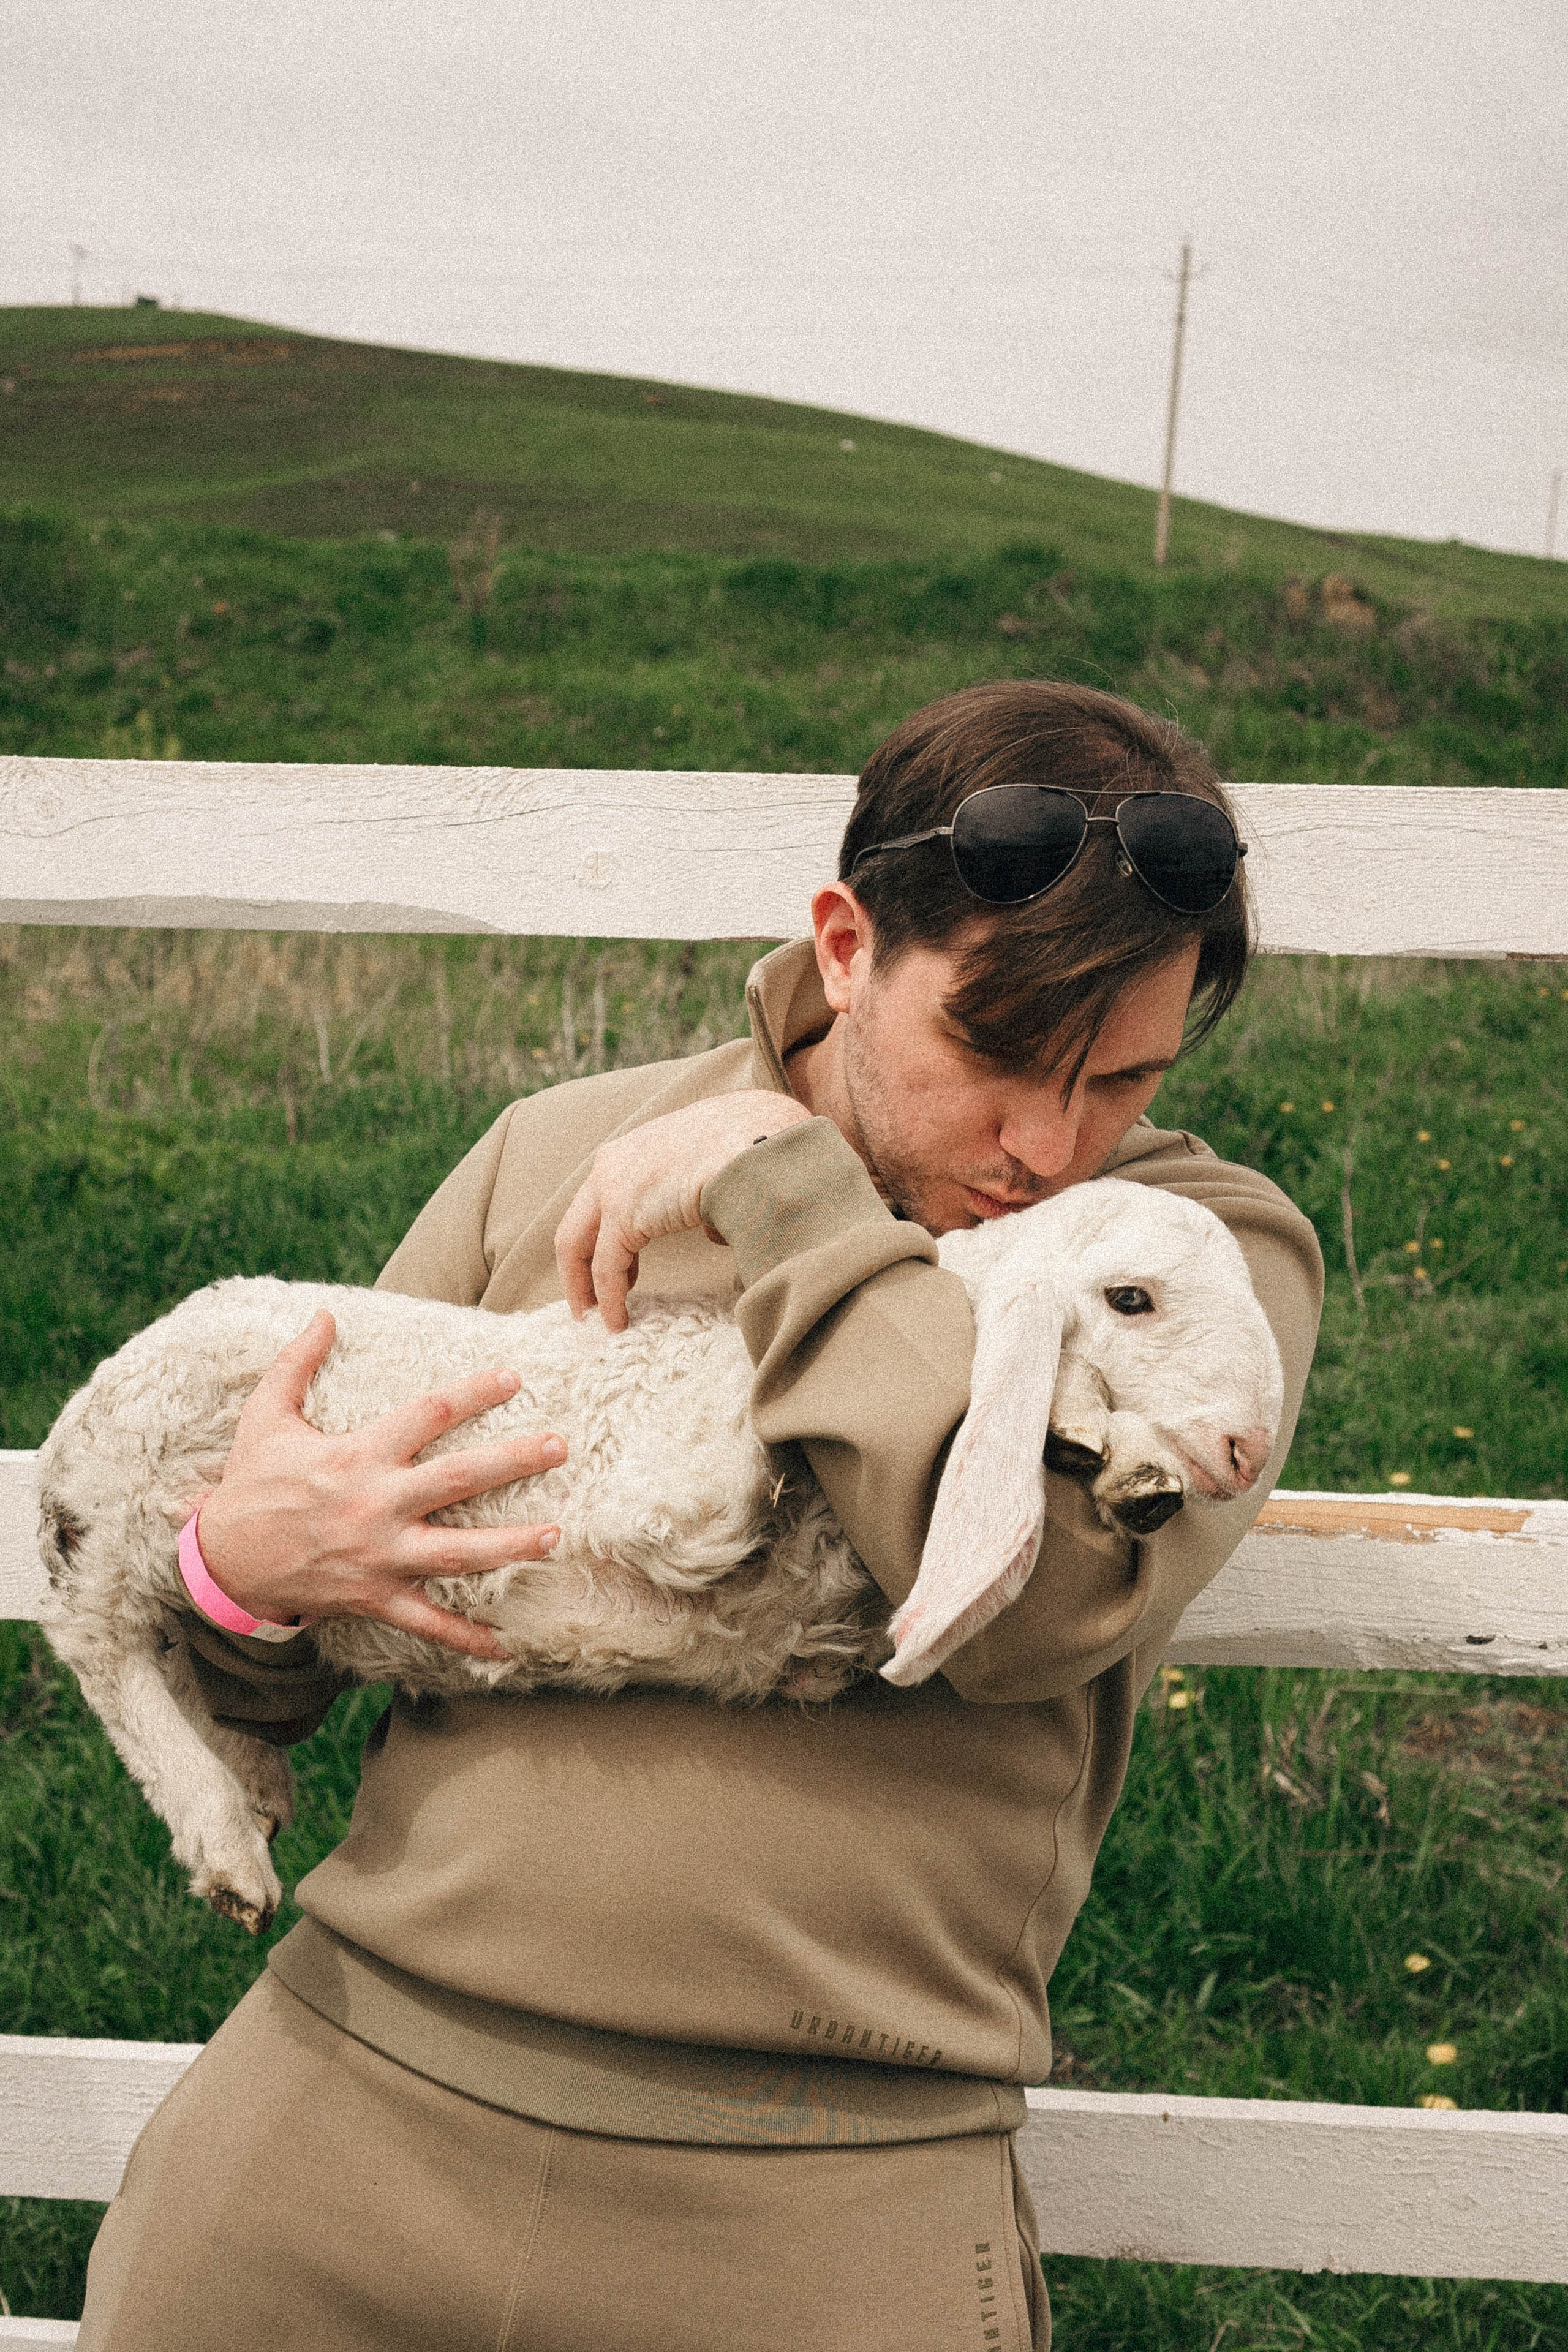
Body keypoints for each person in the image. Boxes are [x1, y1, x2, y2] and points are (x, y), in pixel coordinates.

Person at [75, 680, 1323, 2352]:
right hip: (341, 2121)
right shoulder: (558, 1156)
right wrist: (242, 1583)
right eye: (999, 1056)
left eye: (1122, 1080)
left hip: (819, 2207)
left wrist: (782, 1193)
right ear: (846, 944)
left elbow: (1033, 1613)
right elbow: (279, 1693)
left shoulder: (1187, 1256)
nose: (1048, 1146)